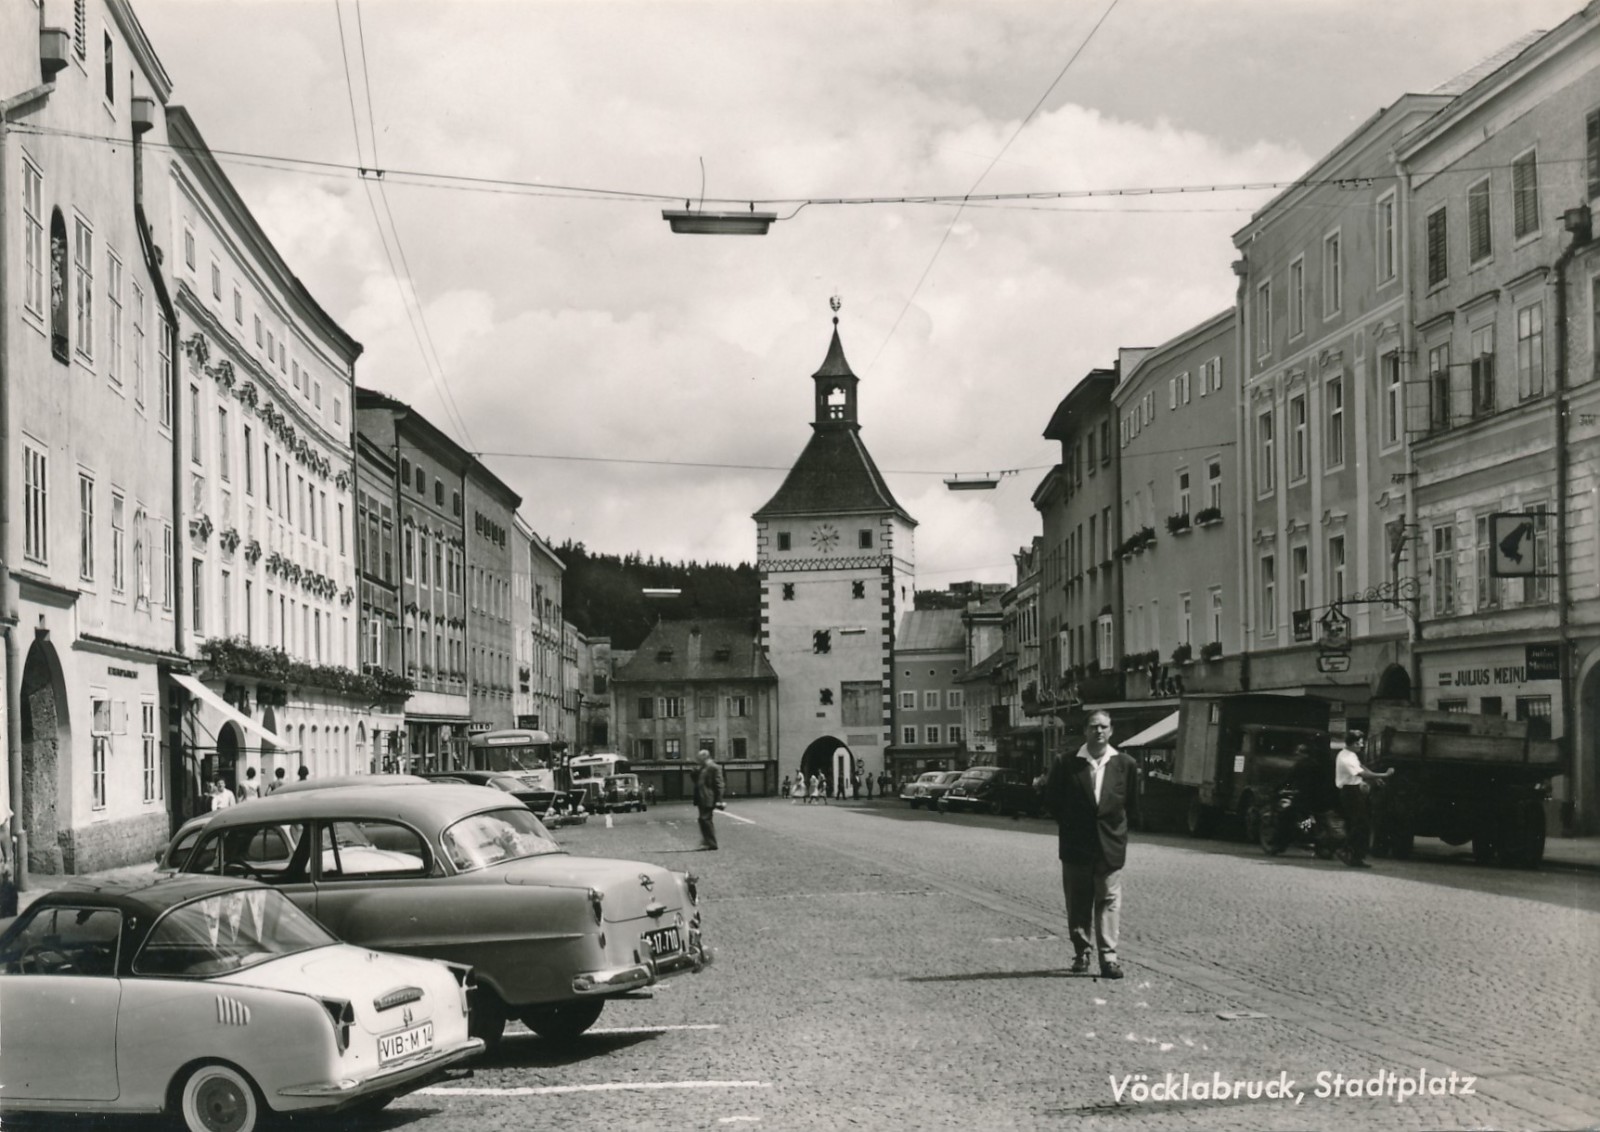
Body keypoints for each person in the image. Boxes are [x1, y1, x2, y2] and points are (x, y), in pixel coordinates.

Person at [1035, 710, 1140, 980]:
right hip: (1076, 845)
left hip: (1110, 845)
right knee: (1078, 902)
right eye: (1094, 726)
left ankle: (1109, 958)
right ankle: (1082, 952)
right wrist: (1073, 826)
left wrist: (1117, 832)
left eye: (1104, 726)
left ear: (1111, 730)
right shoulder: (1066, 763)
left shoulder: (1125, 764)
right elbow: (1052, 802)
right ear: (1085, 731)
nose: (1099, 731)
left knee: (1109, 899)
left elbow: (1131, 805)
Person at [1334, 730, 1392, 868]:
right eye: (1359, 743)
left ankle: (1356, 857)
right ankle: (1344, 849)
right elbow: (1362, 773)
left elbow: (1361, 766)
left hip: (1355, 791)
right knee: (1361, 823)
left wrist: (1375, 777)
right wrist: (1384, 775)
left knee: (1361, 824)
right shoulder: (1345, 758)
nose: (1361, 745)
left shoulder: (1351, 754)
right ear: (1352, 743)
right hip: (1350, 792)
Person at [692, 748, 725, 850]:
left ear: (704, 757)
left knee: (705, 819)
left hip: (708, 797)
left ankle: (711, 843)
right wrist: (694, 772)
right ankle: (707, 841)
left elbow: (719, 784)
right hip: (701, 798)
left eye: (699, 758)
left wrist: (719, 800)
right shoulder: (702, 768)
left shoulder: (714, 767)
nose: (697, 760)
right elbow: (696, 782)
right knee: (703, 819)